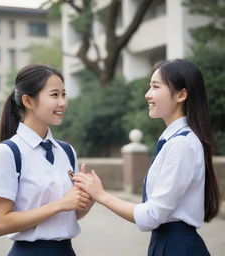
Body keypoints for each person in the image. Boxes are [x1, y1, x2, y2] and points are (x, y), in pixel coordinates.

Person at [73, 59, 221, 256]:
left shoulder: (182, 145)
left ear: (181, 95)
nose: (147, 94)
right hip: (168, 244)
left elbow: (152, 215)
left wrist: (101, 195)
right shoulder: (174, 141)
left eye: (155, 87)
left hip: (177, 247)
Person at [0, 64, 93, 256]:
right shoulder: (7, 152)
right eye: (54, 95)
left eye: (64, 94)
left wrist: (87, 200)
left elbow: (69, 216)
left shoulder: (67, 151)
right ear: (28, 101)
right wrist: (60, 204)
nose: (62, 102)